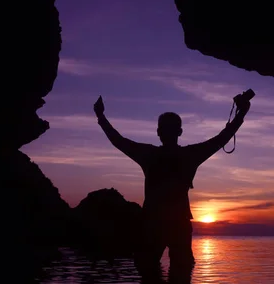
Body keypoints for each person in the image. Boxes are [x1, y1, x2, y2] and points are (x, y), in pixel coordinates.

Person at [93, 94, 250, 272]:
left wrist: (100, 116)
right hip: (178, 222)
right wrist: (241, 113)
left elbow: (118, 140)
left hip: (153, 221)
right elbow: (222, 138)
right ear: (180, 132)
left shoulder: (149, 155)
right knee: (181, 275)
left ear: (158, 132)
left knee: (148, 273)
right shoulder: (190, 155)